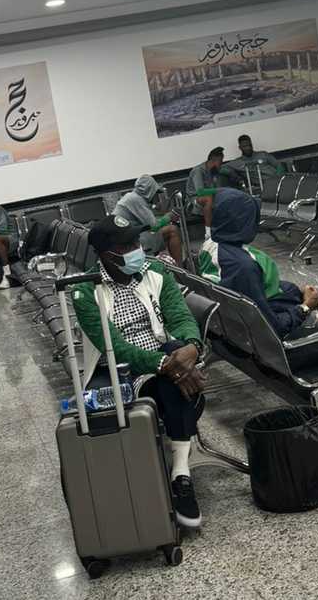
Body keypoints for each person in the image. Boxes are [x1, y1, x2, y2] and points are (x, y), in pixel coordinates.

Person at [71, 215, 207, 528]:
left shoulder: (155, 271)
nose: (137, 249)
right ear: (106, 254)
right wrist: (167, 365)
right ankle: (181, 469)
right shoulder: (83, 291)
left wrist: (191, 347)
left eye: (136, 242)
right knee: (176, 378)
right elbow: (114, 348)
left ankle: (181, 473)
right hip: (121, 371)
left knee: (175, 370)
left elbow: (180, 318)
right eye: (127, 245)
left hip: (164, 358)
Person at [207, 188, 318, 337]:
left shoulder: (213, 246)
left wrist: (300, 291)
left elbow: (263, 287)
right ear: (243, 222)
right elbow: (272, 327)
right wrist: (306, 307)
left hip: (290, 300)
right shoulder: (242, 267)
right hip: (295, 318)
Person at [112, 175, 185, 264]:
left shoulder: (131, 197)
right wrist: (169, 216)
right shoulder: (135, 199)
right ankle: (180, 270)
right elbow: (153, 226)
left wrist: (163, 217)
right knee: (172, 230)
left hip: (125, 239)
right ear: (149, 190)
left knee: (162, 233)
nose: (154, 196)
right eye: (154, 192)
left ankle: (166, 265)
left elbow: (147, 223)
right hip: (128, 242)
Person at [185, 147, 238, 216]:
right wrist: (221, 190)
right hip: (195, 202)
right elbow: (200, 192)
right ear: (213, 160)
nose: (221, 165)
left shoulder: (214, 171)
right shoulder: (198, 171)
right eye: (220, 162)